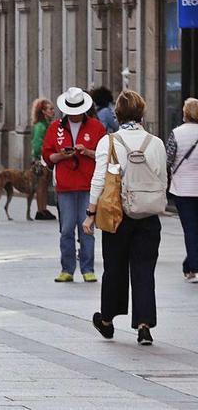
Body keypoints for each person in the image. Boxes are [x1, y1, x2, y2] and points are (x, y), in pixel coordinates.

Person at [83, 91, 167, 345]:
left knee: (114, 269)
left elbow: (99, 179)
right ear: (142, 112)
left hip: (117, 214)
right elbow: (162, 178)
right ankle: (143, 326)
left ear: (117, 114)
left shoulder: (109, 142)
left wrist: (90, 213)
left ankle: (107, 320)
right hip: (149, 214)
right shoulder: (156, 142)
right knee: (144, 270)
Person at [42, 87, 107, 283]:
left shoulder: (96, 127)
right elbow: (48, 157)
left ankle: (88, 268)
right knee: (66, 229)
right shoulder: (55, 128)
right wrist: (62, 155)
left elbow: (104, 155)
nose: (75, 114)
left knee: (87, 228)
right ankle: (67, 269)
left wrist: (86, 151)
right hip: (65, 187)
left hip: (89, 186)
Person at [166, 97, 198, 283]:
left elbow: (168, 159)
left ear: (185, 113)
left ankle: (193, 267)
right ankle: (190, 264)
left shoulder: (176, 133)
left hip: (183, 190)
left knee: (190, 228)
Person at [31, 98, 57, 220]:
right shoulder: (41, 126)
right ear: (43, 111)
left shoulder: (46, 124)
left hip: (43, 158)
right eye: (50, 109)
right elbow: (37, 144)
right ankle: (40, 209)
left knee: (44, 184)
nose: (53, 111)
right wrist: (39, 157)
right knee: (41, 185)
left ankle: (43, 208)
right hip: (40, 159)